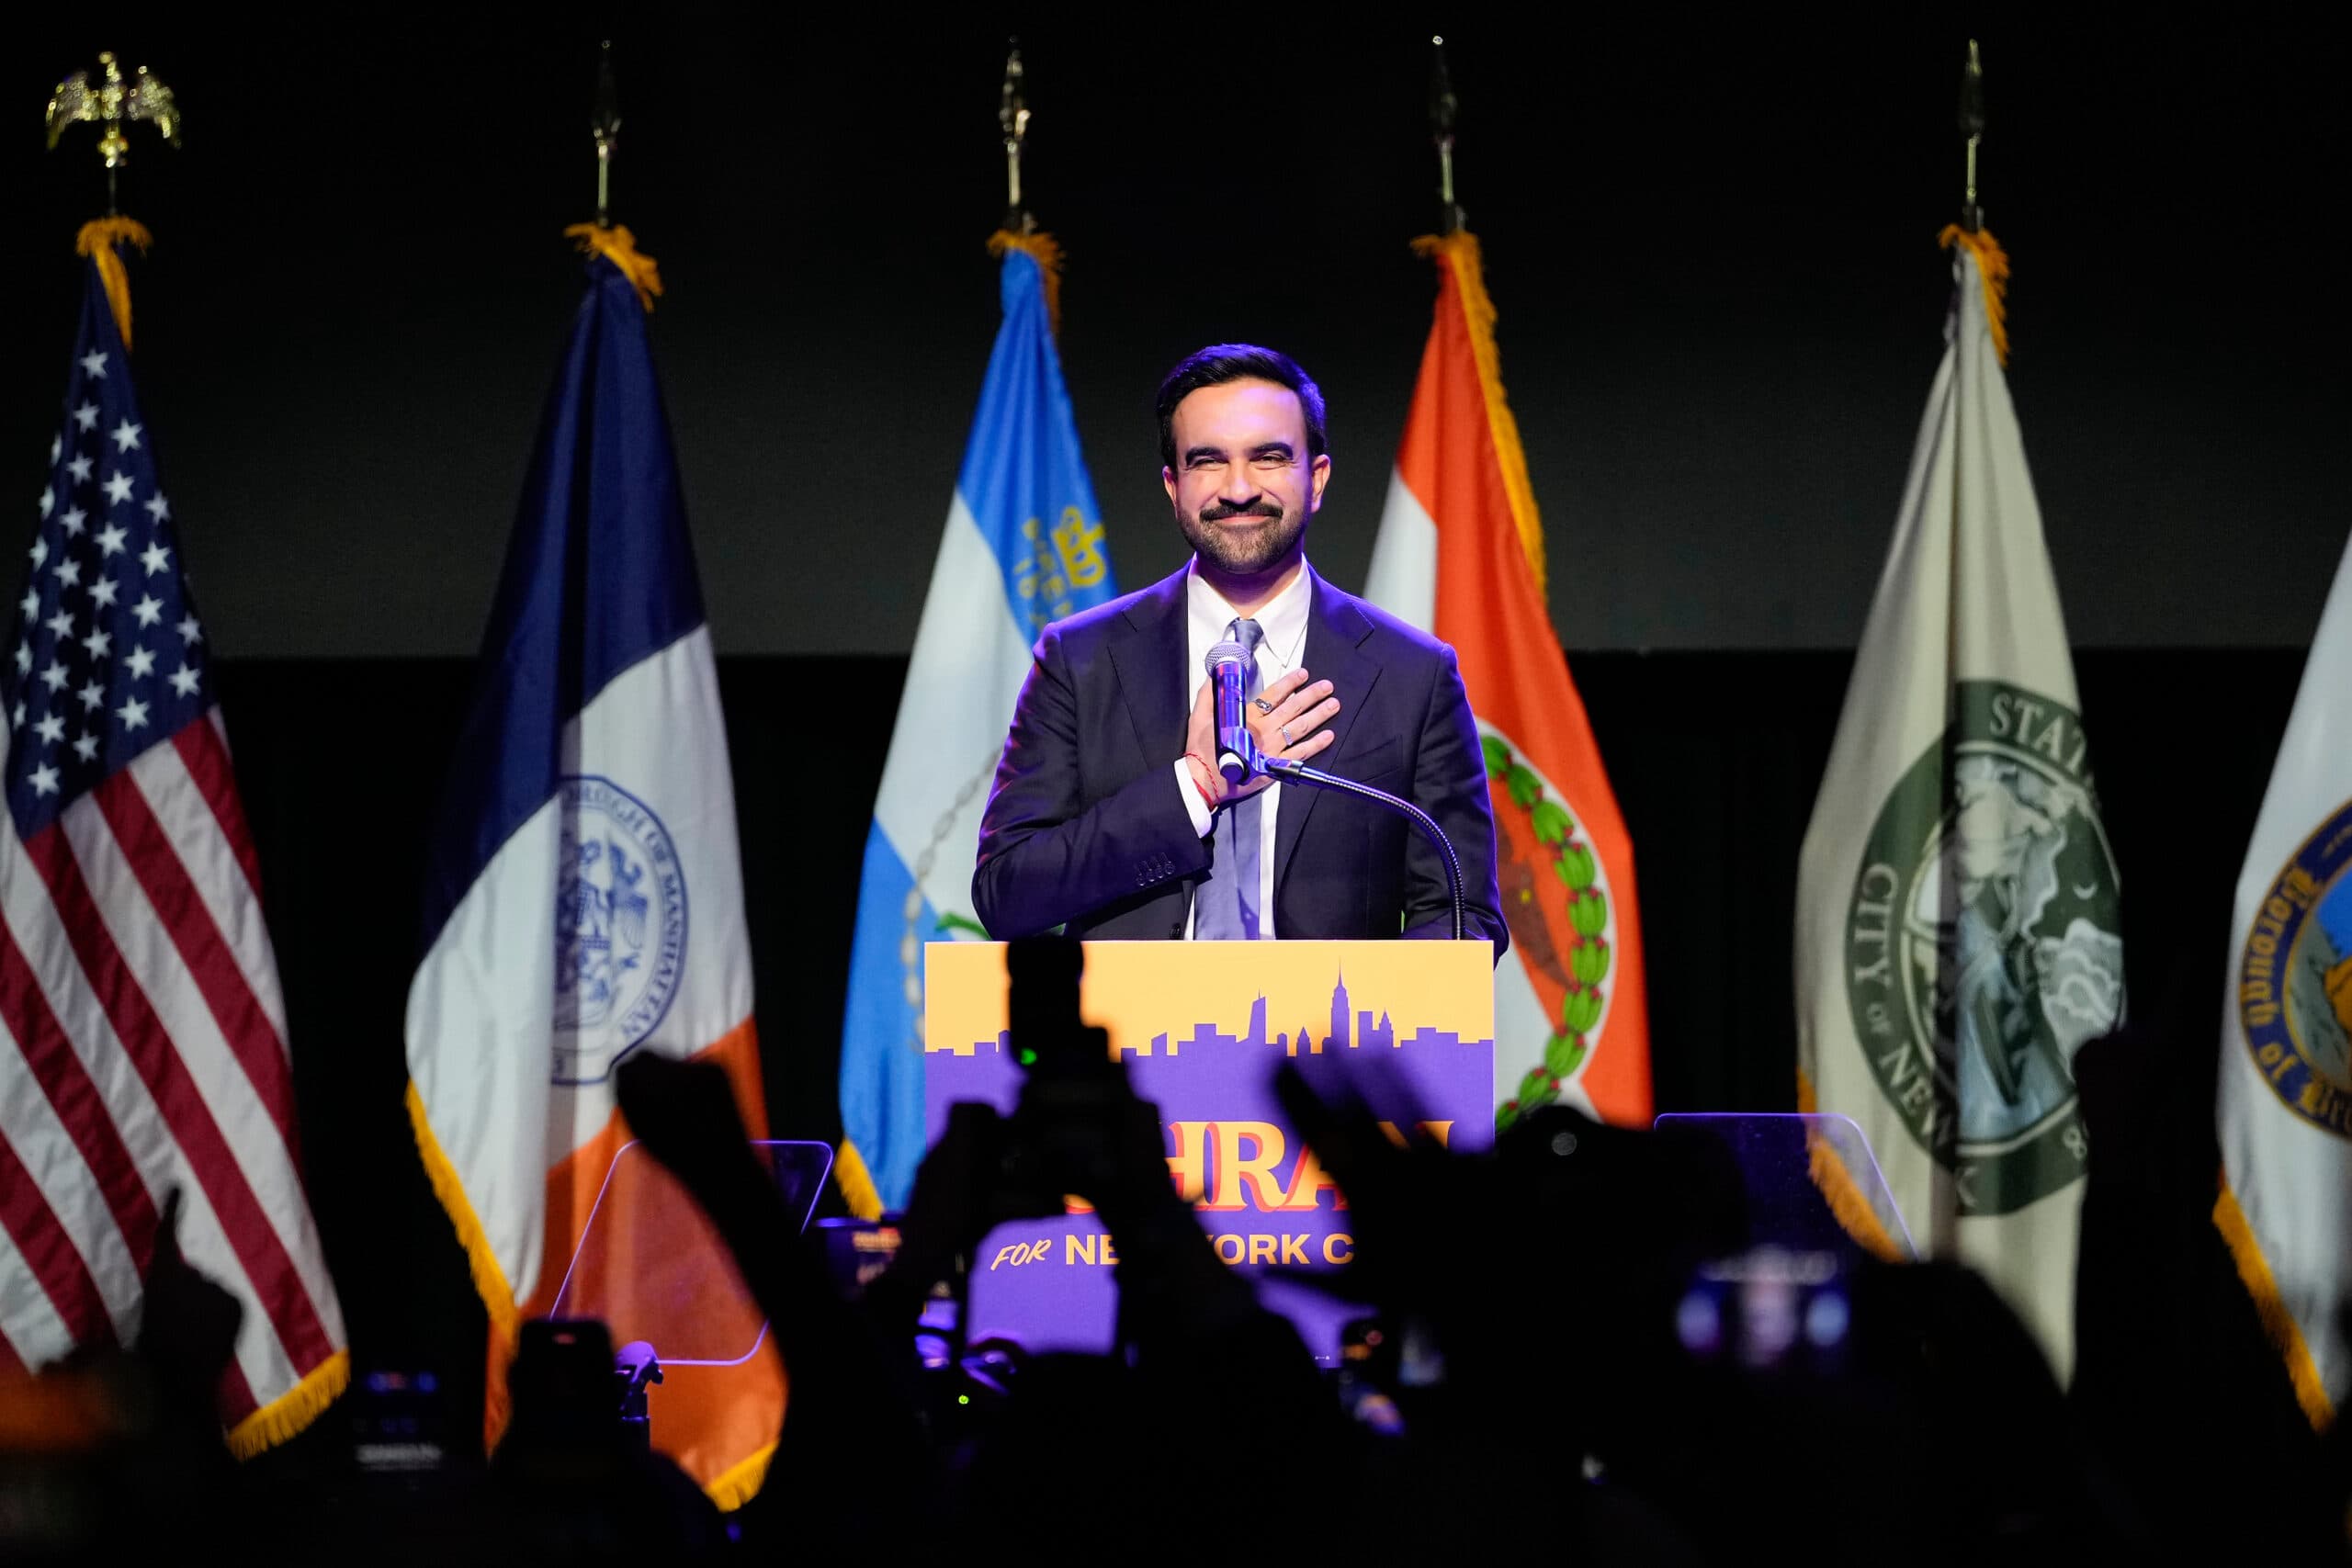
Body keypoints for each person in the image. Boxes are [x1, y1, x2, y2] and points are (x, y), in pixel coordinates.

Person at [972, 344, 1507, 951]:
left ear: (1318, 477)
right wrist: (1194, 787)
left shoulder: (1414, 676)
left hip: (1329, 1040)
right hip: (1124, 1041)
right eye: (1207, 461)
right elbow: (1006, 894)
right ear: (1174, 486)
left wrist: (1349, 1013)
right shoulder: (1080, 660)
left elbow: (1464, 917)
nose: (1240, 487)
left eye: (1270, 457)